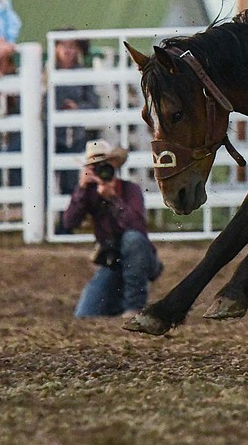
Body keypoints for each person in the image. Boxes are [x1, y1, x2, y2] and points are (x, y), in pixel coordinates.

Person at [63, 139, 162, 318]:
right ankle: (119, 303)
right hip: (112, 260)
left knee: (132, 239)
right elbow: (69, 222)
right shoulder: (89, 194)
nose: (101, 171)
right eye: (95, 167)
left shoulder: (130, 189)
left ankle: (135, 307)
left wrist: (114, 199)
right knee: (85, 313)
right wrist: (82, 189)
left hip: (140, 257)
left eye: (105, 165)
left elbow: (137, 227)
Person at [52, 35, 98, 198]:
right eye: (63, 46)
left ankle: (69, 218)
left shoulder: (83, 73)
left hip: (74, 135)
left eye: (71, 46)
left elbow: (93, 103)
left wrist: (77, 108)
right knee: (45, 177)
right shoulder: (47, 71)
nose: (67, 50)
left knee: (71, 180)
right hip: (50, 134)